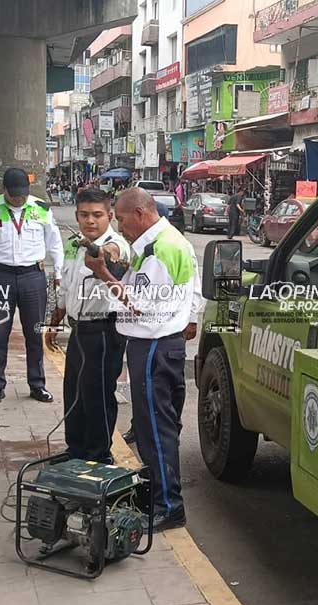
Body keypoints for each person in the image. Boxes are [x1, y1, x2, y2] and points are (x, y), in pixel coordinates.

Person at [84, 187, 202, 531]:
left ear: (139, 213)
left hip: (152, 347)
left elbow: (140, 304)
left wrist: (104, 275)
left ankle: (167, 505)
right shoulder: (174, 240)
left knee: (154, 431)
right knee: (162, 427)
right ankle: (161, 495)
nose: (119, 228)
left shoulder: (157, 250)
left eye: (120, 219)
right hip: (166, 344)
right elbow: (191, 289)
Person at [45, 188, 131, 463]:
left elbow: (114, 256)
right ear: (77, 215)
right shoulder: (73, 245)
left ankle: (98, 455)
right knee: (74, 392)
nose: (90, 221)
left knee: (98, 396)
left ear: (110, 216)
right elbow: (65, 285)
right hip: (78, 330)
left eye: (97, 215)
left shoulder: (117, 243)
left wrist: (102, 253)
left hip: (105, 331)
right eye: (84, 215)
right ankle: (76, 450)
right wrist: (55, 320)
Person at [0, 168, 65, 404]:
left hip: (33, 276)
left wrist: (59, 273)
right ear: (5, 191)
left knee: (34, 333)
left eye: (22, 195)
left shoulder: (41, 209)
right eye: (14, 195)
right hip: (0, 275)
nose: (18, 199)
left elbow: (55, 243)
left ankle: (37, 385)